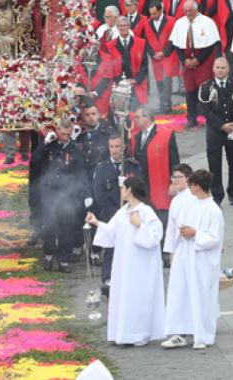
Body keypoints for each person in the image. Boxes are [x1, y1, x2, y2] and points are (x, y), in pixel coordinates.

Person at [86, 177, 166, 347]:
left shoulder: (145, 211)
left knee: (138, 296)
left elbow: (156, 235)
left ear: (130, 190)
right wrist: (97, 222)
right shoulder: (123, 211)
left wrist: (140, 226)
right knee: (123, 295)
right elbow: (112, 231)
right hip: (123, 263)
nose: (121, 191)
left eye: (123, 188)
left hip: (140, 263)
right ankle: (121, 332)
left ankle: (139, 333)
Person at [161, 169, 225, 350]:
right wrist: (182, 234)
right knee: (180, 293)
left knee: (201, 296)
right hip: (184, 255)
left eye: (191, 185)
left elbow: (214, 238)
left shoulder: (214, 210)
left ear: (197, 186)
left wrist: (195, 234)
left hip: (202, 259)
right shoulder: (190, 205)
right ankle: (179, 332)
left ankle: (202, 335)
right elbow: (178, 224)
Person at [29, 115, 86, 271]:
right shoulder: (50, 145)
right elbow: (34, 161)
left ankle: (64, 259)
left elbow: (80, 170)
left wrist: (81, 191)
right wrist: (44, 144)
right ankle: (48, 253)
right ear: (57, 131)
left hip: (67, 191)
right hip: (49, 190)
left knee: (66, 225)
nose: (65, 138)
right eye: (62, 134)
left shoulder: (74, 148)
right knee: (49, 223)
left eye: (68, 135)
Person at [88, 135, 141, 291]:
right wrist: (112, 209)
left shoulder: (132, 166)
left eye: (117, 146)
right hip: (110, 213)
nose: (114, 150)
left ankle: (130, 278)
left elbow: (140, 187)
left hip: (130, 212)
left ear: (123, 147)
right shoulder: (102, 168)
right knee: (110, 248)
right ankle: (107, 279)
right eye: (111, 146)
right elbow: (98, 193)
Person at [131, 106, 180, 266]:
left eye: (137, 117)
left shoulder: (165, 135)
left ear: (148, 117)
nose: (135, 121)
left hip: (161, 185)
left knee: (163, 221)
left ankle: (165, 253)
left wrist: (175, 183)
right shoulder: (137, 137)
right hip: (145, 185)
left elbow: (175, 162)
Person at [198, 57, 233, 205]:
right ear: (213, 69)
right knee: (214, 166)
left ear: (228, 69)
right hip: (215, 132)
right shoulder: (206, 87)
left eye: (223, 68)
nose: (220, 70)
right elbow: (205, 111)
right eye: (217, 67)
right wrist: (221, 125)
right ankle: (217, 195)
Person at [170, 0, 221, 127]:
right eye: (186, 11)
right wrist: (184, 60)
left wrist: (198, 60)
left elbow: (211, 44)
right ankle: (191, 118)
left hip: (203, 60)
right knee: (189, 90)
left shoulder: (207, 22)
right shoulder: (179, 23)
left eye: (190, 10)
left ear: (196, 9)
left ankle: (210, 116)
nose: (188, 13)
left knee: (205, 90)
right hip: (187, 61)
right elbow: (176, 45)